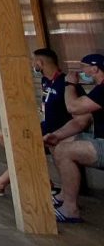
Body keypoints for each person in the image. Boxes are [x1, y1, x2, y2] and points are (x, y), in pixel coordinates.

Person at [0, 48, 90, 197]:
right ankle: (45, 180)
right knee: (2, 135)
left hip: (59, 132)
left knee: (24, 149)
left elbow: (81, 116)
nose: (33, 64)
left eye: (33, 61)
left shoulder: (67, 84)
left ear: (40, 62)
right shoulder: (46, 80)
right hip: (44, 128)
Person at [49, 53, 104, 224]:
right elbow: (80, 122)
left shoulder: (103, 90)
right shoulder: (97, 90)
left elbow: (73, 107)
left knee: (65, 152)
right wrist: (55, 136)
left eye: (83, 68)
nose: (81, 73)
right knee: (59, 144)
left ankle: (70, 209)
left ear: (94, 69)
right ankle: (65, 195)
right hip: (99, 138)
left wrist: (70, 84)